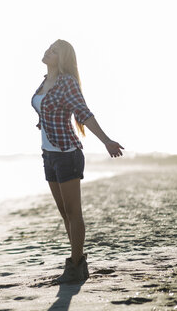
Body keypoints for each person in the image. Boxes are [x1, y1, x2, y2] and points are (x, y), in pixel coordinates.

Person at [31, 39, 124, 284]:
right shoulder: (45, 81)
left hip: (67, 154)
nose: (47, 51)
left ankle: (75, 266)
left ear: (61, 58)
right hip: (48, 155)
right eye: (49, 48)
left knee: (74, 213)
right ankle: (77, 263)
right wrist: (44, 122)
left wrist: (106, 140)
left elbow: (83, 113)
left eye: (54, 51)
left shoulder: (66, 82)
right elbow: (48, 110)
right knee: (64, 214)